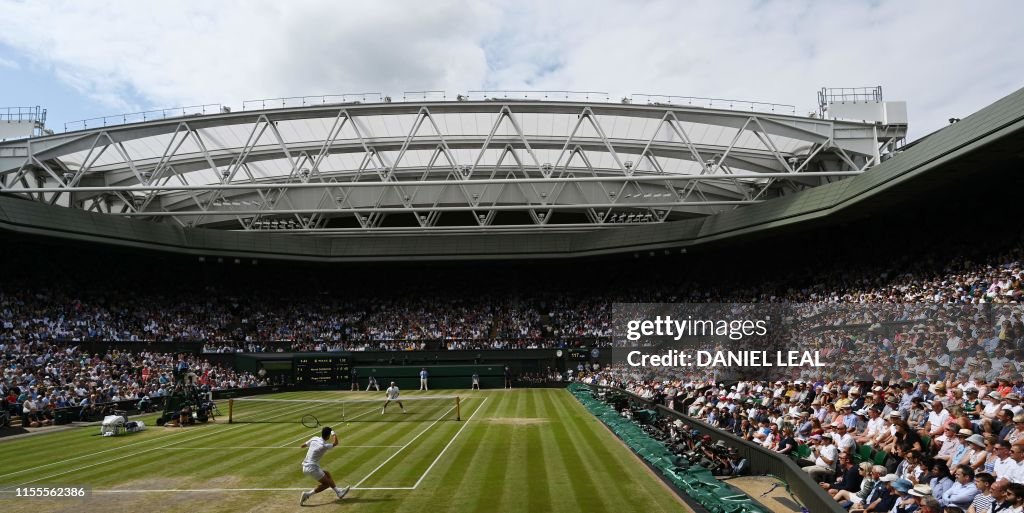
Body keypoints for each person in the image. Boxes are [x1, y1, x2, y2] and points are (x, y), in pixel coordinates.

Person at [299, 426, 349, 505]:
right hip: (312, 468)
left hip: (305, 466)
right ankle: (307, 494)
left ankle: (339, 492)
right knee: (326, 484)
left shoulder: (314, 438)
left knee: (327, 474)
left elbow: (302, 445)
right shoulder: (324, 446)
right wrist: (333, 432)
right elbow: (335, 443)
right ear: (328, 436)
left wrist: (311, 447)